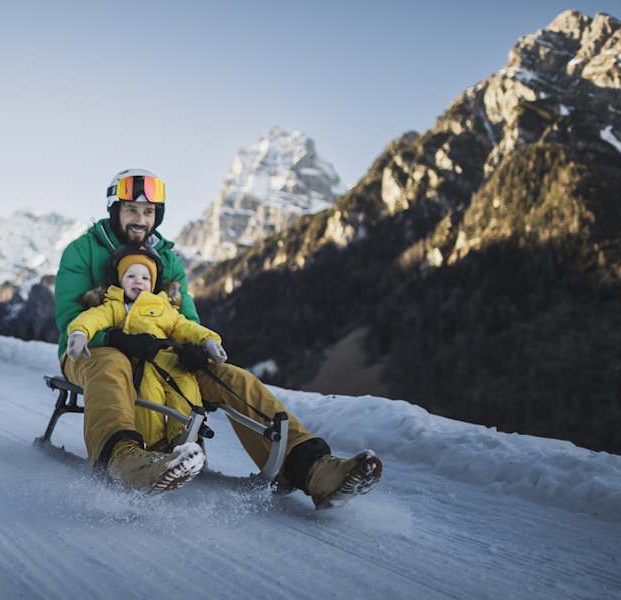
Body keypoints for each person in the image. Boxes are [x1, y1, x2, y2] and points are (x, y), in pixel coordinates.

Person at [55, 168, 382, 506]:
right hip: (88, 352)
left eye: (148, 212)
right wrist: (114, 338)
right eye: (132, 210)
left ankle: (312, 467)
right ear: (115, 211)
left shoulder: (166, 260)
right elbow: (70, 320)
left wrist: (194, 348)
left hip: (159, 354)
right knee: (112, 363)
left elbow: (187, 320)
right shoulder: (82, 252)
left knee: (231, 377)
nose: (140, 219)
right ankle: (123, 460)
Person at [66, 243, 224, 455]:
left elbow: (184, 326)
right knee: (149, 399)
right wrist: (79, 332)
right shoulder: (115, 305)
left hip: (172, 362)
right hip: (143, 364)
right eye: (131, 276)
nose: (138, 281)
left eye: (145, 278)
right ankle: (153, 446)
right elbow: (93, 318)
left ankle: (184, 441)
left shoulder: (163, 307)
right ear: (120, 280)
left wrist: (208, 341)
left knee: (187, 394)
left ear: (153, 283)